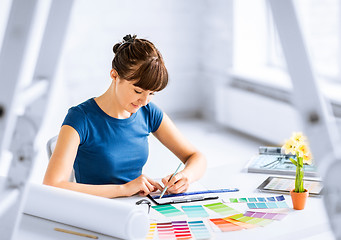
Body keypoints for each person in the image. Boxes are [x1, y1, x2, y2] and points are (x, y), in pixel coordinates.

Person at [43, 34, 207, 198]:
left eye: (151, 93)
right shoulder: (80, 118)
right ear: (114, 75)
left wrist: (186, 176)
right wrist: (124, 189)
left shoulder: (148, 112)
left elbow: (196, 157)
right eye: (138, 91)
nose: (144, 101)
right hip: (96, 210)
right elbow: (53, 185)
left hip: (137, 208)